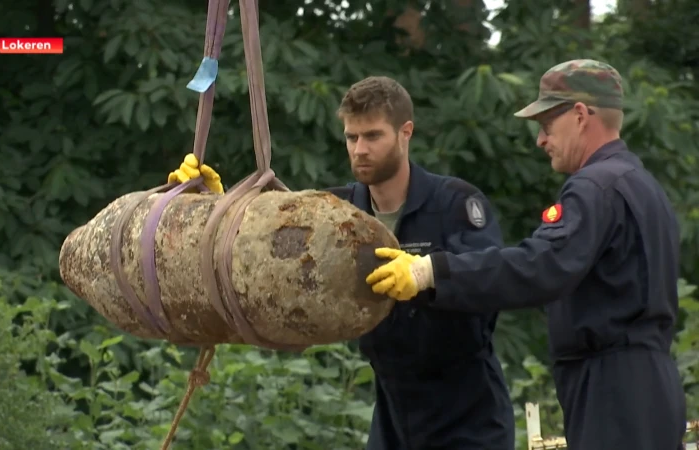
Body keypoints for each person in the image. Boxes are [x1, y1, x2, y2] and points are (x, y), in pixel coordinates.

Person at [168, 76, 515, 449]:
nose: (360, 149)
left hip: (468, 417)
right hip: (394, 416)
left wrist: (427, 274)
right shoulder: (338, 214)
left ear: (406, 133)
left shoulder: (455, 203)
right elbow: (267, 247)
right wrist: (215, 211)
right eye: (352, 138)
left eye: (373, 136)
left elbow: (493, 279)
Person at [364, 59, 688, 449]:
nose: (540, 140)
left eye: (546, 125)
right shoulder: (641, 185)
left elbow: (541, 265)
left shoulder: (594, 188)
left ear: (581, 115)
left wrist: (430, 271)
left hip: (612, 389)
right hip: (651, 384)